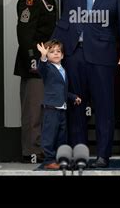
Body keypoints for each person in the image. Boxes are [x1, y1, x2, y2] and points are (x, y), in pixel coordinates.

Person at [31, 0, 120, 168]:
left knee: (104, 106)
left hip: (103, 56)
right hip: (73, 55)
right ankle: (79, 155)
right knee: (76, 107)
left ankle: (103, 156)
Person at [14, 0, 57, 163]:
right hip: (34, 60)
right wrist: (32, 58)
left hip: (46, 59)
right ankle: (31, 150)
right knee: (33, 107)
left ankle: (41, 146)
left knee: (43, 106)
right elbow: (24, 32)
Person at [36, 40, 81, 169]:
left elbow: (63, 90)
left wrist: (73, 97)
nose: (55, 53)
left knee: (61, 136)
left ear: (62, 55)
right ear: (48, 56)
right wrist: (43, 56)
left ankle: (60, 159)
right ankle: (48, 161)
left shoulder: (63, 70)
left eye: (58, 51)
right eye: (52, 52)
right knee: (49, 136)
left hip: (62, 108)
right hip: (51, 108)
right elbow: (41, 68)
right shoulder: (47, 68)